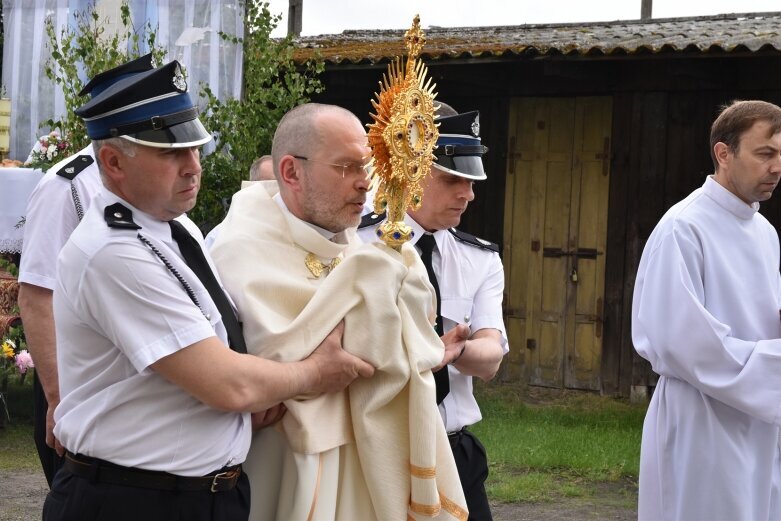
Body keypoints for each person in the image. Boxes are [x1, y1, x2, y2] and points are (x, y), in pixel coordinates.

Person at [44, 62, 373, 521]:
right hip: (134, 498)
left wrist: (246, 411)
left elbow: (219, 337)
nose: (193, 167)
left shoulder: (173, 227)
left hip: (200, 495)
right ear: (113, 162)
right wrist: (315, 374)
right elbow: (228, 383)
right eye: (170, 154)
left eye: (196, 148)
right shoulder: (113, 252)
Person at [211, 102, 468, 520]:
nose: (364, 184)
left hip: (365, 459)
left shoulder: (353, 245)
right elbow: (256, 369)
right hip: (282, 463)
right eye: (347, 167)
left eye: (366, 167)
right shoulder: (237, 249)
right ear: (292, 172)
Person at [632, 99, 781, 520]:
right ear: (724, 153)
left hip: (759, 420)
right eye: (765, 154)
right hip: (702, 422)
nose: (776, 168)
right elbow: (685, 344)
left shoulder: (765, 233)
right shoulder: (684, 227)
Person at [358, 106, 508, 521]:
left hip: (454, 446)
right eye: (452, 179)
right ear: (410, 172)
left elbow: (490, 359)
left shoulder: (479, 259)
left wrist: (453, 353)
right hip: (381, 448)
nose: (469, 193)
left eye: (472, 180)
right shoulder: (358, 245)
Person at [18, 53, 155, 486]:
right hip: (79, 377)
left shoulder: (151, 182)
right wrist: (60, 398)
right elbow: (37, 295)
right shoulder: (68, 185)